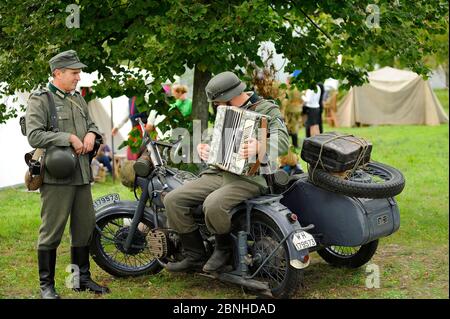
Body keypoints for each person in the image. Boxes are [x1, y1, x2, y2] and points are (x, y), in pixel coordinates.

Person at [163, 71, 289, 273]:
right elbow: (215, 138)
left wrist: (260, 145)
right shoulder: (226, 111)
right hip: (218, 174)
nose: (217, 106)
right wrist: (204, 147)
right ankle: (195, 255)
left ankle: (225, 250)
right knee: (173, 200)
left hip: (250, 178)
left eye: (218, 102)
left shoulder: (267, 109)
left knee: (213, 205)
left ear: (228, 97)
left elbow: (283, 140)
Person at [25, 50, 110, 299]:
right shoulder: (41, 99)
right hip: (56, 176)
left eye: (78, 72)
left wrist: (91, 134)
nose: (78, 76)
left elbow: (91, 124)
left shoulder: (78, 98)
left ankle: (80, 279)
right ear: (57, 73)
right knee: (52, 230)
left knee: (83, 228)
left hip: (82, 173)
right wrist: (68, 138)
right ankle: (46, 286)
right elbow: (34, 135)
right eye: (74, 73)